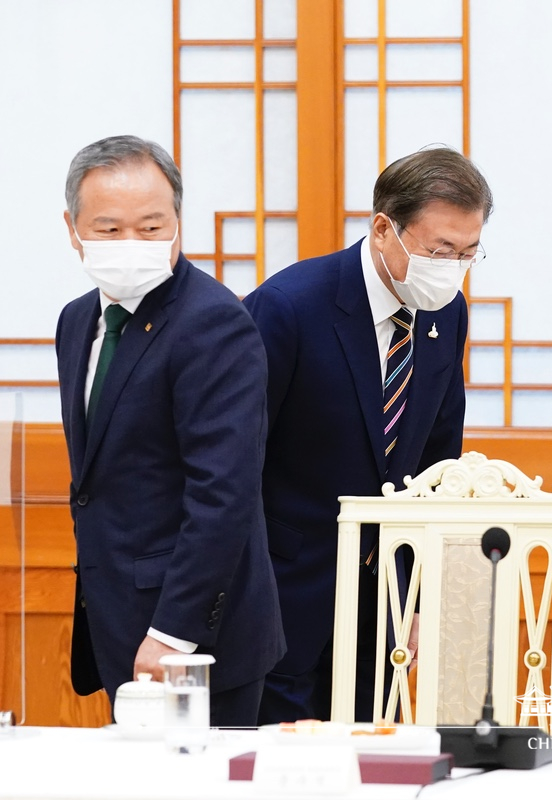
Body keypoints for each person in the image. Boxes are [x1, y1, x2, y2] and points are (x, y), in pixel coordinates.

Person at [245, 146, 491, 724]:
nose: (451, 269)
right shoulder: (288, 307)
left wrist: (420, 593)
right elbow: (238, 462)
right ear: (384, 228)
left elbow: (437, 459)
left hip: (383, 608)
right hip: (286, 597)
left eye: (468, 254)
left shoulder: (444, 314)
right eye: (439, 251)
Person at [55, 135, 285, 725]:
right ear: (72, 228)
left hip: (195, 639)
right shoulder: (77, 321)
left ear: (178, 223)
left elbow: (223, 494)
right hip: (116, 618)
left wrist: (172, 634)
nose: (132, 244)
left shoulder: (213, 323)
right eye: (109, 230)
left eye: (152, 227)